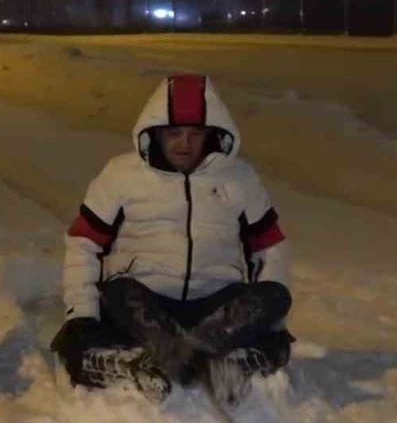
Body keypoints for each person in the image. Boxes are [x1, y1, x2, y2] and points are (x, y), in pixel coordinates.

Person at [52, 74, 293, 405]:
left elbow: (269, 249)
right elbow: (84, 244)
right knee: (119, 291)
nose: (184, 143)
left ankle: (179, 356)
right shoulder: (121, 175)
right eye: (174, 133)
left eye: (195, 134)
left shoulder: (239, 178)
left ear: (213, 134)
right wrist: (81, 315)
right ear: (156, 132)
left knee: (274, 295)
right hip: (145, 305)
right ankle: (206, 362)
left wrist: (269, 320)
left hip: (215, 310)